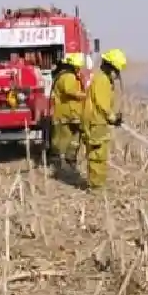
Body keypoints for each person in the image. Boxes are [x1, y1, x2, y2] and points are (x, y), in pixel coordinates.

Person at [79, 48, 127, 189]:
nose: (117, 75)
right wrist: (112, 118)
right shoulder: (102, 80)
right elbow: (102, 104)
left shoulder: (102, 79)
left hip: (98, 122)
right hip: (95, 123)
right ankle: (96, 186)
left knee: (100, 155)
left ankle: (98, 183)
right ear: (111, 67)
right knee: (97, 156)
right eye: (117, 71)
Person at [48, 53, 86, 164]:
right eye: (78, 67)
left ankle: (69, 158)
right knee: (63, 138)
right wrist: (86, 95)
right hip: (66, 114)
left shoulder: (63, 75)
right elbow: (70, 91)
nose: (79, 69)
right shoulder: (68, 76)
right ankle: (58, 161)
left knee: (72, 137)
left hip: (70, 113)